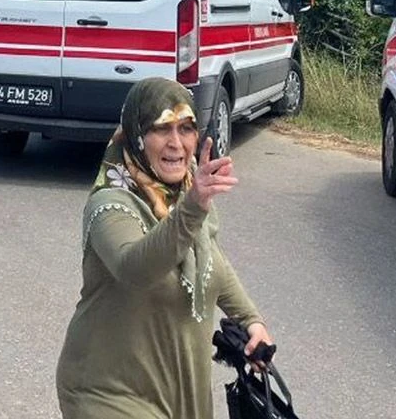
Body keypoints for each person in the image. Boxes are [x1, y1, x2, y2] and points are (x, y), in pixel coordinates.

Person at [55, 77, 274, 418]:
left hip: (179, 394)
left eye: (186, 128)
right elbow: (133, 269)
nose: (176, 143)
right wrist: (193, 206)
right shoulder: (110, 205)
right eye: (161, 129)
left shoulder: (187, 196)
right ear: (137, 136)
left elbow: (211, 261)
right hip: (106, 392)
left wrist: (250, 321)